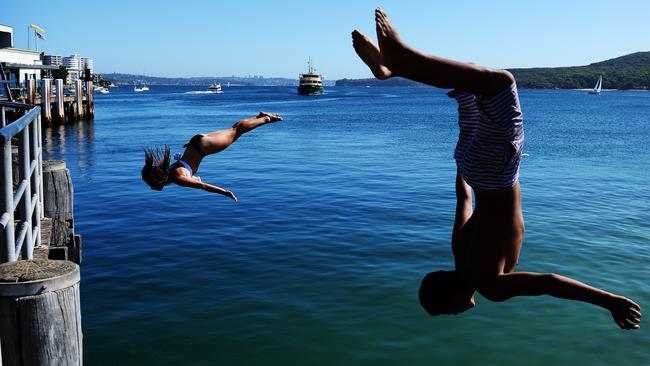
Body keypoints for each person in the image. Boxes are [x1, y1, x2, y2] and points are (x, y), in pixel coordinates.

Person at [352, 8, 641, 329]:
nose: (456, 312)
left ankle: (401, 61)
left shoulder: (491, 286)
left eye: (449, 310)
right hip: (471, 165)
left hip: (496, 174)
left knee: (501, 82)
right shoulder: (458, 252)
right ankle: (391, 69)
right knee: (471, 87)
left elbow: (549, 283)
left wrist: (609, 301)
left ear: (451, 297)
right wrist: (464, 161)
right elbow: (463, 200)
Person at [141, 112, 283, 201]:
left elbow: (203, 186)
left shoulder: (178, 179)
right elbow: (191, 176)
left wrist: (225, 192)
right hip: (197, 142)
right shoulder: (169, 172)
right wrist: (194, 178)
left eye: (151, 185)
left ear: (158, 180)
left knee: (236, 132)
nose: (151, 188)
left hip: (205, 147)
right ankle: (260, 117)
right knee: (234, 130)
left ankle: (266, 119)